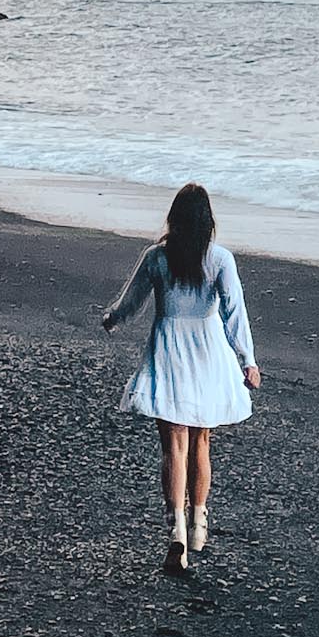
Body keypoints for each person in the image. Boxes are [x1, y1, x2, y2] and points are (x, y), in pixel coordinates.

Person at [100, 183, 261, 574]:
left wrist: (113, 319)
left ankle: (176, 529)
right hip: (208, 350)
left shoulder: (156, 257)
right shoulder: (220, 259)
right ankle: (200, 518)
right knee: (201, 440)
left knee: (174, 446)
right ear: (208, 222)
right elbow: (233, 311)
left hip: (168, 348)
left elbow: (132, 300)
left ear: (174, 218)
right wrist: (247, 360)